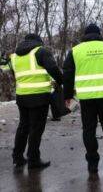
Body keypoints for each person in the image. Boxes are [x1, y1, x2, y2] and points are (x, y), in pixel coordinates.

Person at [63, 24, 103, 174]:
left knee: (88, 131)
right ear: (99, 34)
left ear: (85, 35)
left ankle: (92, 165)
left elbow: (67, 74)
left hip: (86, 100)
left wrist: (67, 96)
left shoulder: (75, 51)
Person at [10, 34, 63, 169]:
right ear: (38, 42)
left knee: (23, 127)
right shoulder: (41, 51)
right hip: (39, 98)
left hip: (22, 96)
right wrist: (62, 81)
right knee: (36, 129)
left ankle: (18, 157)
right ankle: (33, 160)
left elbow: (15, 74)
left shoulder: (15, 56)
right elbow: (53, 69)